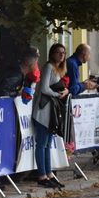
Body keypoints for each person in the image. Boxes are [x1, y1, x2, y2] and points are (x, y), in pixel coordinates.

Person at [31, 43, 69, 188]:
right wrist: (57, 94)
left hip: (50, 112)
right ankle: (42, 175)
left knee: (46, 145)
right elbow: (44, 88)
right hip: (43, 111)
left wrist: (64, 91)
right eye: (58, 52)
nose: (61, 55)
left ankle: (49, 173)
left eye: (63, 53)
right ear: (52, 54)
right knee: (41, 144)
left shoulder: (58, 70)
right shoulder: (48, 67)